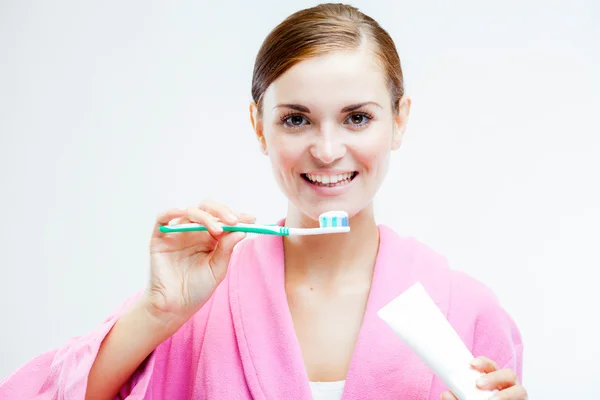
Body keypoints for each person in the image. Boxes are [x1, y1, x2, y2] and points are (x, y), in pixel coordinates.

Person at [0, 3, 527, 400]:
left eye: (357, 117)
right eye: (296, 119)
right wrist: (158, 312)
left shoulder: (468, 312)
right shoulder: (197, 303)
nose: (325, 150)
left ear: (400, 120)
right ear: (259, 125)